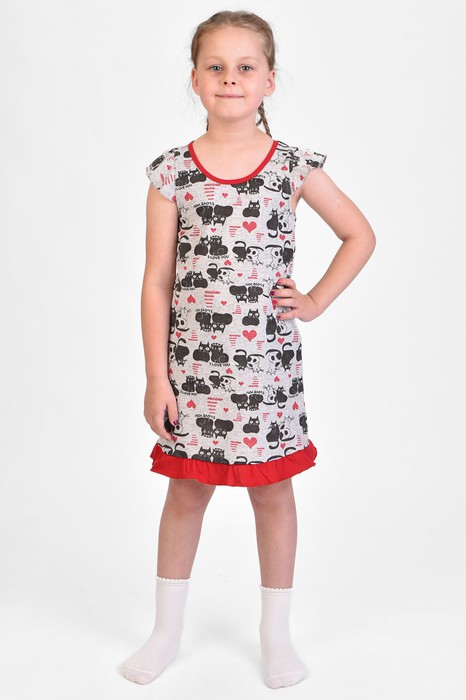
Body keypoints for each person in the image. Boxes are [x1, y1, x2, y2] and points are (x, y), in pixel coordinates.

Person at [119, 9, 376, 690]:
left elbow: (360, 235)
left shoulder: (292, 166)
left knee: (274, 493)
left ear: (268, 81)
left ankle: (275, 634)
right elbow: (156, 280)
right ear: (196, 80)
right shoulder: (172, 173)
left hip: (267, 371)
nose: (230, 78)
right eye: (216, 67)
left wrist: (315, 300)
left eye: (245, 67)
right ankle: (166, 630)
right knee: (186, 491)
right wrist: (156, 378)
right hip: (192, 372)